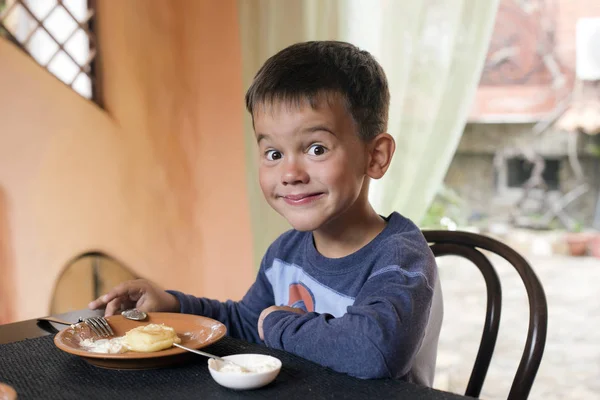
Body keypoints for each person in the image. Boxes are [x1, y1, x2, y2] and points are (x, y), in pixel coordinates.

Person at [89, 41, 443, 385]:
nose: (290, 174)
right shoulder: (284, 255)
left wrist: (276, 323)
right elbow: (247, 321)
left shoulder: (400, 258)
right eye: (273, 154)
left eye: (316, 148)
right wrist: (173, 305)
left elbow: (372, 352)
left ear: (375, 156)